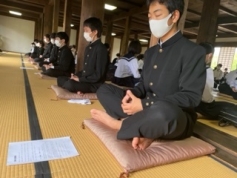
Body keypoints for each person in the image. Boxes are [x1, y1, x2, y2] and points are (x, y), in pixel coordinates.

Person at [90, 0, 206, 150]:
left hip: (174, 115)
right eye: (150, 16)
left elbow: (191, 96)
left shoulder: (193, 51)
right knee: (104, 90)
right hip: (144, 108)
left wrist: (143, 105)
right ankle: (145, 128)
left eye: (157, 15)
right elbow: (143, 85)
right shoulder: (151, 52)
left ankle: (119, 124)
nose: (152, 20)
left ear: (174, 16)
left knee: (165, 113)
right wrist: (131, 96)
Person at [57, 17, 108, 94]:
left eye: (86, 31)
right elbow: (85, 70)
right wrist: (75, 76)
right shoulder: (88, 47)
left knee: (70, 84)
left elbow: (98, 75)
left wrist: (80, 79)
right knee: (60, 79)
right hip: (85, 80)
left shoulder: (101, 48)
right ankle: (77, 88)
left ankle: (77, 88)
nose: (85, 33)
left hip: (94, 84)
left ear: (95, 32)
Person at [195, 42, 235, 119]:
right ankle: (199, 114)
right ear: (210, 55)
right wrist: (211, 102)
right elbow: (207, 98)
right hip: (198, 105)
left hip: (183, 102)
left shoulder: (185, 65)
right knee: (231, 107)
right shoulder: (206, 70)